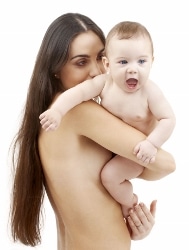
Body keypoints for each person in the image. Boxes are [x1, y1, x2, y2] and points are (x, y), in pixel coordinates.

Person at [10, 13, 176, 250]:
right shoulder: (78, 112)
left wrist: (129, 221)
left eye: (100, 58)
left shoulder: (53, 116)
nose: (97, 72)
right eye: (80, 62)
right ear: (55, 69)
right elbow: (165, 165)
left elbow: (94, 201)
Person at [39, 21, 176, 217]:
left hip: (134, 152)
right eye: (123, 62)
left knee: (110, 176)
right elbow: (78, 93)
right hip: (114, 148)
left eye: (141, 61)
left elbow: (168, 119)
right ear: (108, 64)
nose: (132, 69)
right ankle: (129, 204)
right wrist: (57, 111)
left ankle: (129, 203)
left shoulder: (150, 92)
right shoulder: (105, 83)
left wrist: (151, 144)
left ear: (152, 61)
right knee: (110, 178)